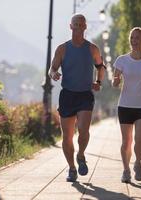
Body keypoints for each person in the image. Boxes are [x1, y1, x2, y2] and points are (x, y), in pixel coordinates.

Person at [48, 14, 105, 182]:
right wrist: (54, 74)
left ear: (85, 27)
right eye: (76, 24)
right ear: (70, 26)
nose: (79, 27)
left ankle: (81, 155)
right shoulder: (62, 49)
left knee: (84, 130)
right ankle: (72, 168)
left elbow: (101, 67)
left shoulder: (92, 49)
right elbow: (52, 69)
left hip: (85, 95)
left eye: (82, 25)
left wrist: (98, 81)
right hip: (67, 95)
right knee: (67, 136)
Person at [112, 27, 141, 183]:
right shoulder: (122, 60)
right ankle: (126, 170)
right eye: (132, 37)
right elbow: (115, 79)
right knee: (126, 141)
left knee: (139, 138)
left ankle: (137, 163)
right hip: (125, 104)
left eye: (137, 38)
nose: (134, 41)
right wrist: (116, 81)